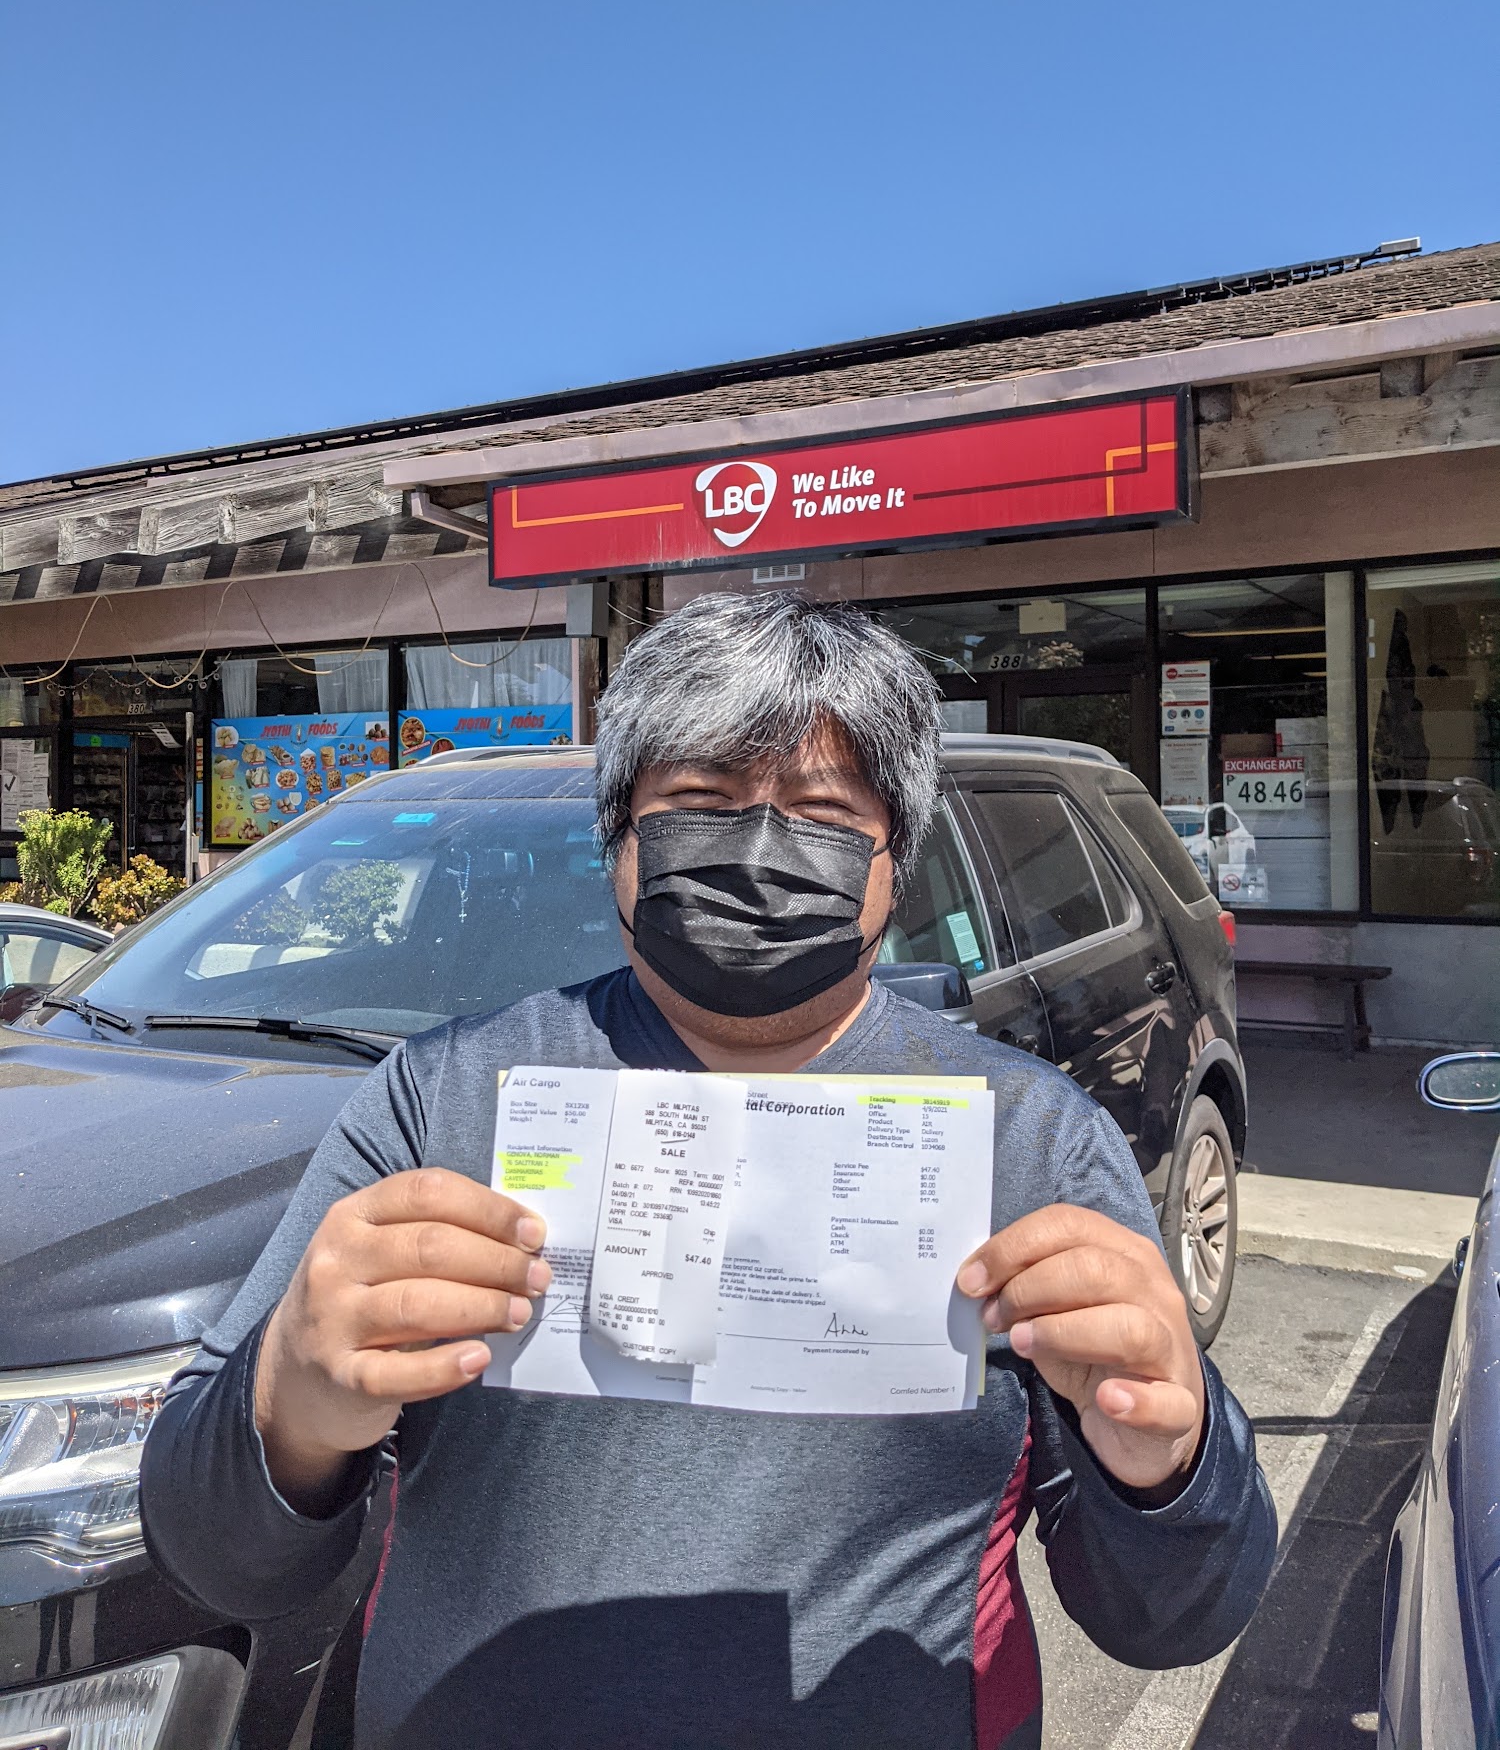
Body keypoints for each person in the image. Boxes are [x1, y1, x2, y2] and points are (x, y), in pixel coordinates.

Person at [142, 591, 1276, 1750]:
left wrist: (1170, 1458)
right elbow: (213, 1550)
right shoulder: (441, 1100)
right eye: (701, 800)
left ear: (898, 861)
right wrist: (292, 1401)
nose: (760, 844)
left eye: (823, 811)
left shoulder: (1027, 1139)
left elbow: (1177, 1615)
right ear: (618, 836)